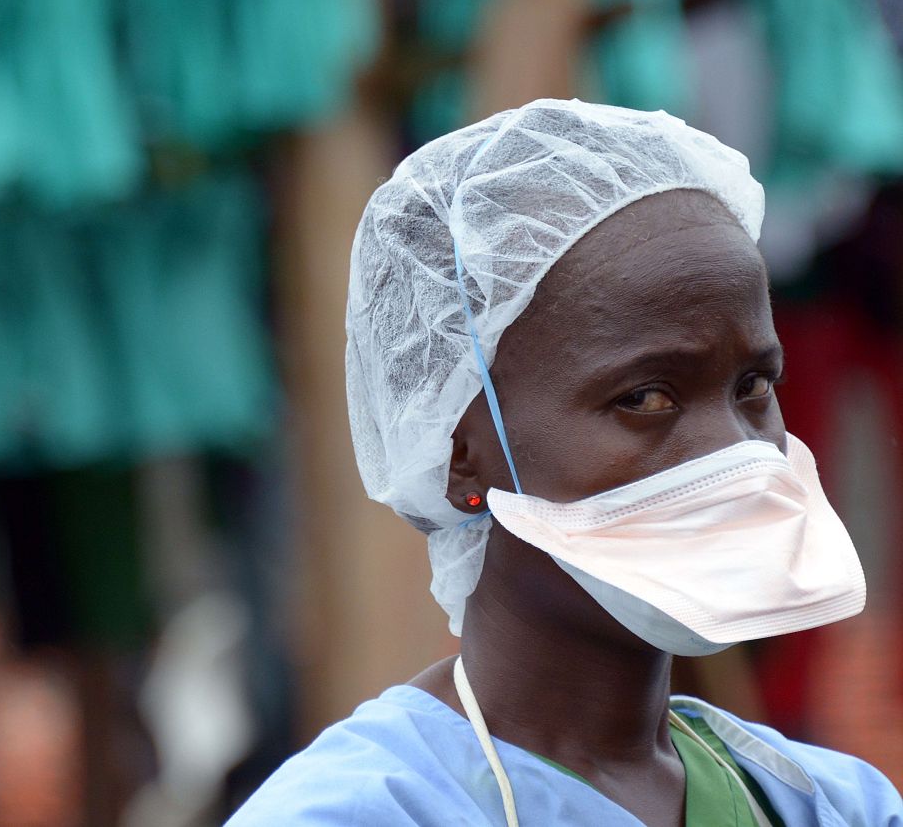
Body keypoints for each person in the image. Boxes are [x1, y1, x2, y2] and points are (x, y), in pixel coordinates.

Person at [227, 100, 903, 826]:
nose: (733, 451)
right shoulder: (363, 812)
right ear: (461, 453)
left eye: (754, 387)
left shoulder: (828, 804)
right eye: (645, 397)